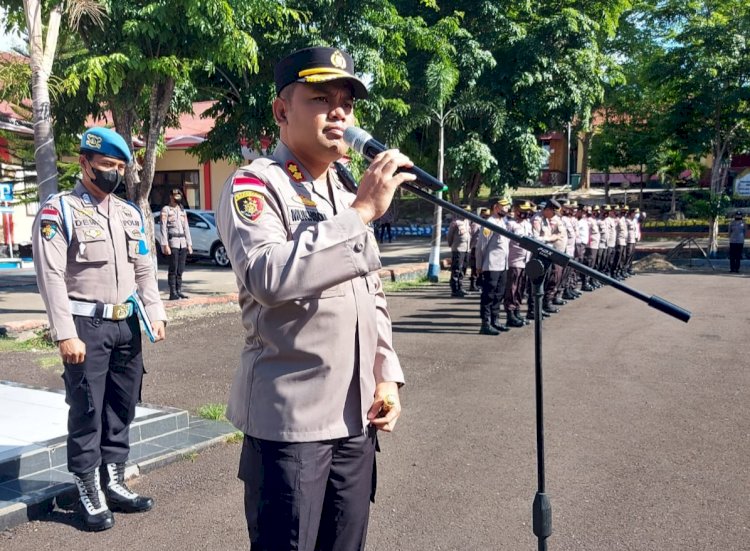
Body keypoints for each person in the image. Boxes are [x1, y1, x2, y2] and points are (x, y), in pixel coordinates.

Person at [215, 46, 409, 551]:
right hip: (291, 424)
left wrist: (385, 375)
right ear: (283, 111)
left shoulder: (346, 194)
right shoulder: (256, 183)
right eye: (321, 98)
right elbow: (267, 276)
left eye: (346, 101)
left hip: (355, 418)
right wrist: (362, 214)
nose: (340, 112)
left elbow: (373, 295)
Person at [32, 127, 166, 532]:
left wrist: (155, 310)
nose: (114, 173)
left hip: (127, 323)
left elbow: (144, 266)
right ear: (84, 163)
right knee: (88, 408)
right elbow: (51, 275)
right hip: (85, 326)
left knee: (122, 406)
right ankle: (88, 488)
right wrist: (63, 332)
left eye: (120, 167)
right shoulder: (61, 211)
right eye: (107, 165)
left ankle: (114, 480)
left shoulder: (127, 213)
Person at [475, 197, 511, 335]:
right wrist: (479, 266)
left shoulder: (502, 222)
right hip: (491, 265)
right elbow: (480, 247)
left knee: (499, 294)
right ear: (496, 207)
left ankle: (495, 320)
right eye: (504, 206)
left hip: (503, 265)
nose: (506, 209)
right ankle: (485, 324)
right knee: (488, 295)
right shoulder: (489, 223)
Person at [160, 188, 193, 300]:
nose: (177, 198)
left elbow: (186, 228)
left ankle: (179, 290)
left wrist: (189, 244)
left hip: (182, 242)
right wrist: (165, 244)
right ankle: (172, 292)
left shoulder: (182, 210)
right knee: (173, 268)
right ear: (171, 197)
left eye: (179, 196)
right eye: (175, 196)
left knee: (181, 269)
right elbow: (163, 228)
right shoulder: (166, 210)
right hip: (173, 242)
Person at [446, 206, 472, 297]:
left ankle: (460, 287)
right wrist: (452, 246)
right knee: (456, 269)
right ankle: (455, 289)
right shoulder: (455, 223)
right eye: (466, 211)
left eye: (468, 211)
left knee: (463, 269)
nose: (468, 213)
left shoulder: (467, 222)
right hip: (458, 249)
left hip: (466, 249)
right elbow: (449, 236)